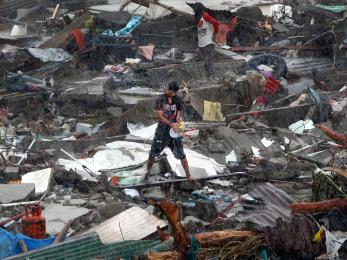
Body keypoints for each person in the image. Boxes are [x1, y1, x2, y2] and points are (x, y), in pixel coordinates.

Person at [145, 81, 193, 181]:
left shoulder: (177, 99)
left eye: (170, 90)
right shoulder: (161, 99)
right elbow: (160, 116)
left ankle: (188, 176)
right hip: (162, 131)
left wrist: (178, 119)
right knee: (153, 153)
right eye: (167, 88)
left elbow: (178, 112)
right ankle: (147, 173)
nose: (167, 90)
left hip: (174, 132)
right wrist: (171, 123)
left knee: (181, 154)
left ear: (174, 92)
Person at [194, 3, 220, 80]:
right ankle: (208, 78)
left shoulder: (205, 15)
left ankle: (213, 76)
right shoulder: (196, 18)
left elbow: (216, 23)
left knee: (207, 61)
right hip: (201, 44)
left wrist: (214, 34)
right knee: (206, 62)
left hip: (208, 42)